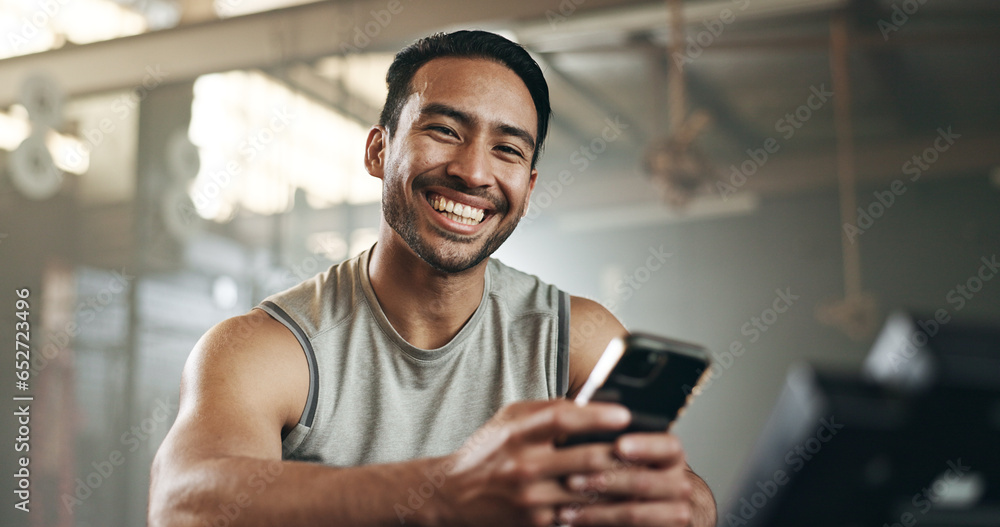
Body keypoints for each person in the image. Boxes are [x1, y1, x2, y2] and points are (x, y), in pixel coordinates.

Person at [149, 30, 716, 527]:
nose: (473, 172)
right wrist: (446, 493)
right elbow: (182, 505)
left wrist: (678, 504)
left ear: (530, 185)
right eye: (444, 130)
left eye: (507, 149)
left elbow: (687, 498)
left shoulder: (575, 337)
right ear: (379, 149)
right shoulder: (269, 347)